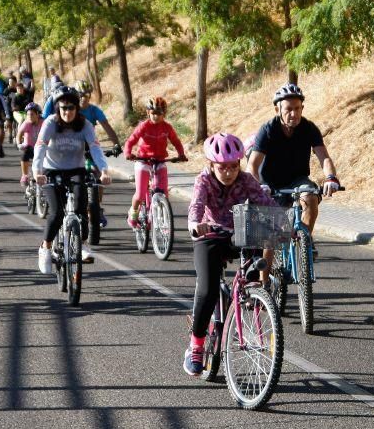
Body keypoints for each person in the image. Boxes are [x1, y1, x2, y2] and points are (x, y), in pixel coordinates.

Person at [183, 133, 276, 376]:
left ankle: (251, 290)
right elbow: (197, 205)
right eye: (222, 168)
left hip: (237, 233)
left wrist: (286, 223)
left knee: (257, 238)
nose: (229, 172)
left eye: (234, 166)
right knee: (208, 289)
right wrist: (195, 223)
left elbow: (264, 201)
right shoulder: (203, 181)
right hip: (209, 234)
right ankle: (196, 345)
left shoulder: (245, 180)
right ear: (211, 165)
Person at [247, 83, 341, 252]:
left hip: (298, 181)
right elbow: (252, 165)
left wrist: (330, 177)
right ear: (277, 110)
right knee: (269, 240)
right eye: (288, 109)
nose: (294, 114)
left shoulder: (309, 128)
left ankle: (304, 243)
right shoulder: (267, 130)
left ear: (302, 108)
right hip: (270, 185)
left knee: (311, 197)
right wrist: (258, 187)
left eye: (297, 108)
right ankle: (265, 277)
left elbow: (324, 157)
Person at [33, 86, 111, 269]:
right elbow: (40, 146)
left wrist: (104, 170)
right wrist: (37, 172)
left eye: (71, 108)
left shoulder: (85, 125)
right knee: (57, 213)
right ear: (58, 109)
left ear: (77, 108)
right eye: (63, 108)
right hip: (51, 171)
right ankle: (46, 247)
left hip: (76, 169)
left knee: (80, 208)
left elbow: (95, 148)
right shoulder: (50, 123)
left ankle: (83, 244)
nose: (67, 112)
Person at [123, 96, 187, 227]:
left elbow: (176, 141)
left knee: (163, 192)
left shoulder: (167, 127)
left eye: (159, 113)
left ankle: (162, 219)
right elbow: (131, 141)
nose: (156, 116)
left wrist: (181, 154)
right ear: (148, 113)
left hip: (159, 161)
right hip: (143, 161)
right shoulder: (144, 126)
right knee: (140, 194)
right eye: (153, 113)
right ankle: (133, 212)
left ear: (164, 114)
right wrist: (128, 152)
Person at [74, 79, 122, 226]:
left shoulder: (94, 110)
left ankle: (97, 207)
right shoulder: (71, 110)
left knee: (100, 174)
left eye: (86, 94)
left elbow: (106, 126)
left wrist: (116, 144)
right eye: (80, 94)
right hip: (73, 147)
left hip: (90, 146)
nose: (83, 97)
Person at [16, 102, 43, 186]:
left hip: (41, 148)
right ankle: (25, 175)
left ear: (37, 114)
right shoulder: (26, 123)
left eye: (32, 114)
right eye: (27, 115)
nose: (29, 117)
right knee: (24, 154)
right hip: (30, 148)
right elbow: (19, 135)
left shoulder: (44, 122)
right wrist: (19, 143)